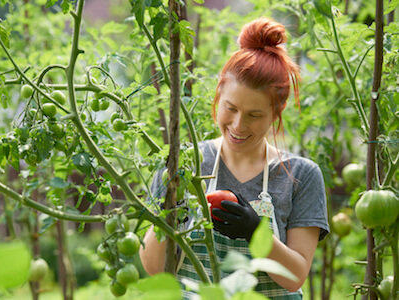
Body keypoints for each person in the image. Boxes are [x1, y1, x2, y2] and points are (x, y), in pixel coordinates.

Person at [139, 17, 330, 299]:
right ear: (218, 95)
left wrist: (255, 232)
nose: (239, 125)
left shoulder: (301, 175)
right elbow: (155, 268)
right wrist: (171, 203)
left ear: (277, 112)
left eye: (255, 115)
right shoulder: (186, 164)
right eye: (231, 108)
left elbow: (295, 277)